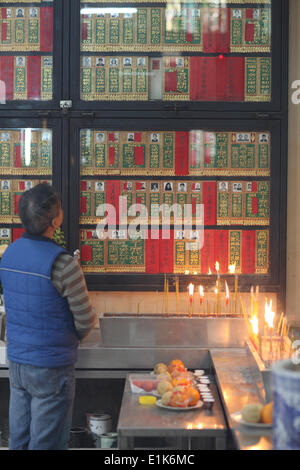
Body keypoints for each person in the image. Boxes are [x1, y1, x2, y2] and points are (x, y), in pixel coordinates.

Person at [0, 184, 97, 450]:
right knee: (47, 444)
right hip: (51, 367)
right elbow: (85, 321)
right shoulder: (64, 264)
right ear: (55, 220)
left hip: (17, 363)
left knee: (19, 440)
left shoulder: (9, 255)